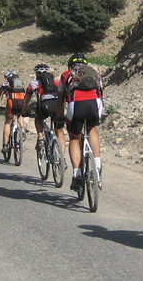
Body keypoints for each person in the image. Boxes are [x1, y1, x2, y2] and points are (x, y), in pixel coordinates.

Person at [57, 53, 104, 192]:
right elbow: (101, 92)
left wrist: (59, 116)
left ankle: (77, 174)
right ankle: (97, 164)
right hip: (95, 104)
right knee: (91, 128)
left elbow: (61, 99)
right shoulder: (95, 73)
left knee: (74, 137)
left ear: (70, 65)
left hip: (76, 106)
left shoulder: (66, 75)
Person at [23, 63, 65, 162]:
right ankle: (62, 159)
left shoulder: (34, 83)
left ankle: (41, 138)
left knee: (38, 118)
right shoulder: (56, 81)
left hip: (44, 106)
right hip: (57, 106)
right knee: (59, 131)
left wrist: (24, 112)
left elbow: (26, 100)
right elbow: (63, 94)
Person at [0, 70, 26, 156]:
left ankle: (6, 145)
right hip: (21, 102)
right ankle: (22, 129)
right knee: (19, 115)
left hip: (11, 103)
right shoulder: (21, 82)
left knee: (8, 122)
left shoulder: (3, 84)